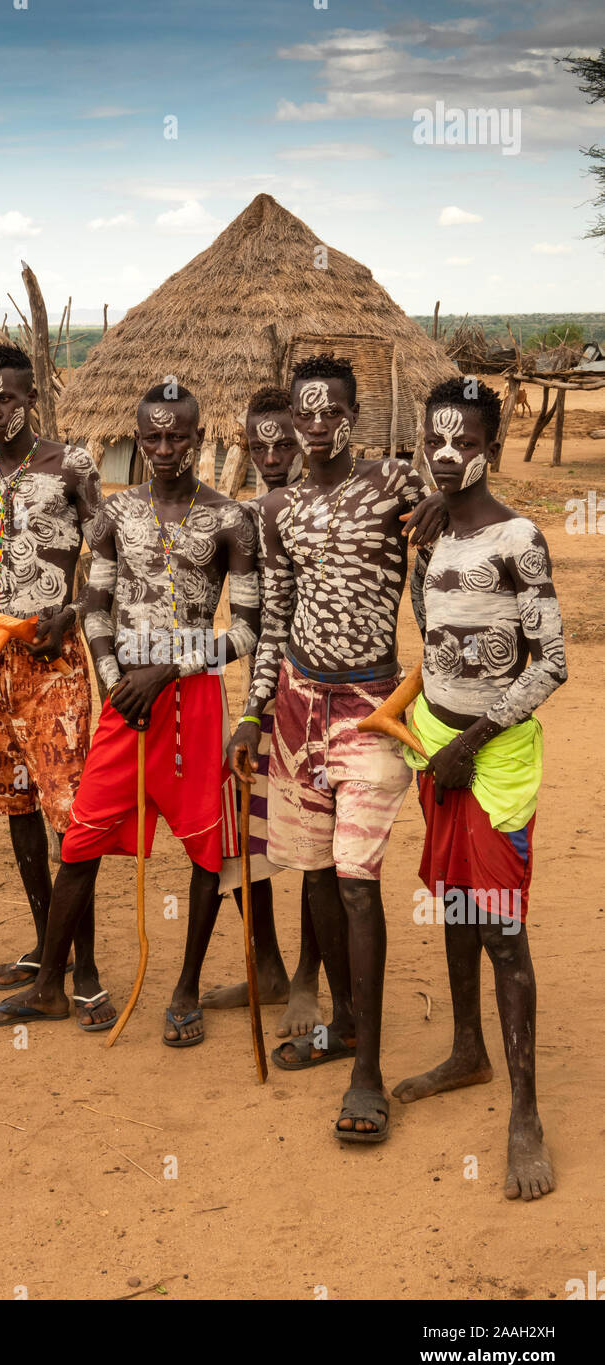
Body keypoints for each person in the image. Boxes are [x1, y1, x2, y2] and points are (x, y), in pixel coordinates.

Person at [0, 384, 259, 1046]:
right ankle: (48, 990)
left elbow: (246, 631)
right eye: (149, 437)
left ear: (199, 435)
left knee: (206, 852)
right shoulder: (113, 516)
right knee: (81, 839)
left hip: (189, 703)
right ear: (135, 437)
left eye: (175, 436)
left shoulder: (231, 521)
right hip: (125, 701)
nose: (161, 449)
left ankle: (184, 991)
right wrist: (115, 680)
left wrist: (166, 670)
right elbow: (92, 606)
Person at [227, 353, 445, 1137]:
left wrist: (442, 681)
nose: (316, 427)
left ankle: (368, 1071)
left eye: (331, 413)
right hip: (294, 705)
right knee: (315, 873)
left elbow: (439, 564)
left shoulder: (396, 485)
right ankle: (344, 1020)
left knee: (357, 883)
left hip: (367, 707)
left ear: (356, 416)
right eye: (305, 415)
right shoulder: (277, 509)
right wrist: (254, 712)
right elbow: (276, 618)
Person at [393, 377, 567, 1201]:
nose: (446, 454)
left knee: (502, 928)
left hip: (488, 758)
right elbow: (438, 649)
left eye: (463, 441)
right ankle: (467, 1048)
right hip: (438, 747)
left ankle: (524, 1114)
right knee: (455, 901)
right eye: (434, 441)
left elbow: (554, 663)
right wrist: (429, 736)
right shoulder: (430, 543)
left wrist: (472, 738)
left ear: (489, 447)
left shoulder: (519, 538)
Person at [0, 344, 114, 1029]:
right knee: (16, 805)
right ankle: (51, 949)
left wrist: (71, 613)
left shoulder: (71, 465)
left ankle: (89, 971)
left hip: (54, 661)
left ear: (32, 397)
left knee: (69, 816)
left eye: (6, 399)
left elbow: (108, 554)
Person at [202, 386, 324, 1043]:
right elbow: (244, 622)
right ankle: (268, 967)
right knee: (244, 831)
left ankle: (307, 979)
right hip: (264, 695)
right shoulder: (242, 518)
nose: (274, 454)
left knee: (317, 844)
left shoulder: (325, 510)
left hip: (324, 699)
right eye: (261, 444)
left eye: (285, 441)